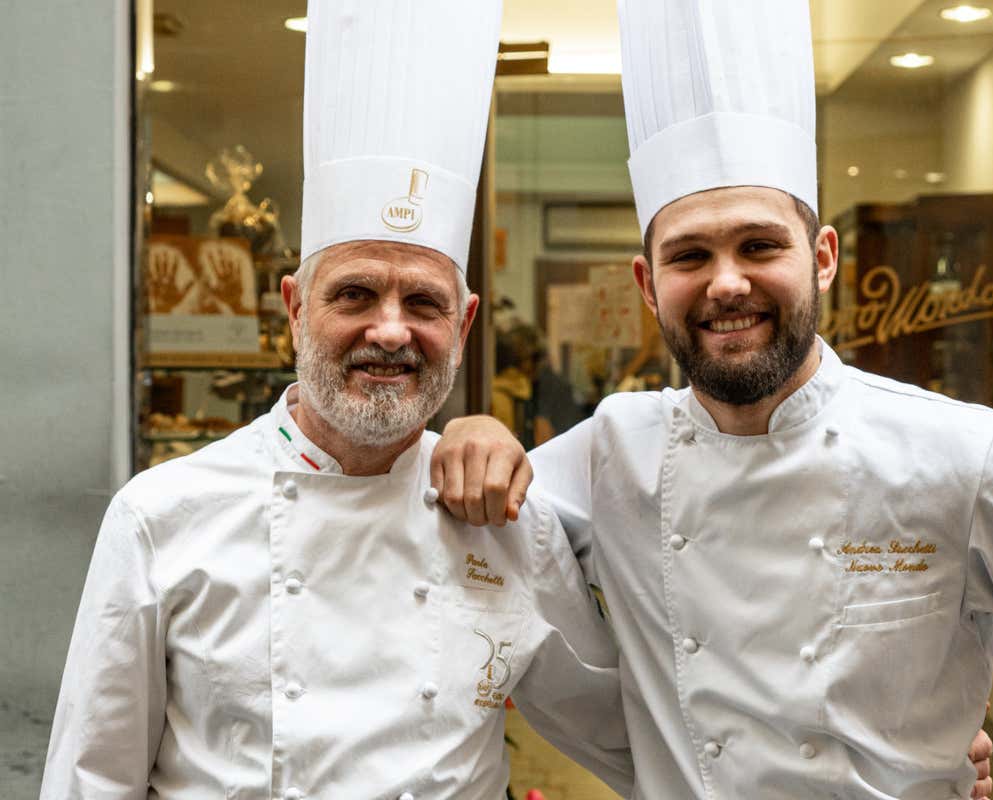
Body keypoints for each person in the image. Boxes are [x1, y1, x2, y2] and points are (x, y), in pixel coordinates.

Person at [431, 0, 993, 797]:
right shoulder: (613, 448)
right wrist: (474, 427)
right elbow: (464, 517)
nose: (727, 281)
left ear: (823, 256)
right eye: (690, 254)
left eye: (759, 244)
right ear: (648, 285)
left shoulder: (971, 457)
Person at [40, 2, 632, 797]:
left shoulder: (506, 519)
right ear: (293, 308)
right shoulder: (160, 517)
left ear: (462, 325)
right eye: (354, 294)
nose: (389, 332)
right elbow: (91, 779)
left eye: (422, 304)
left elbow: (627, 737)